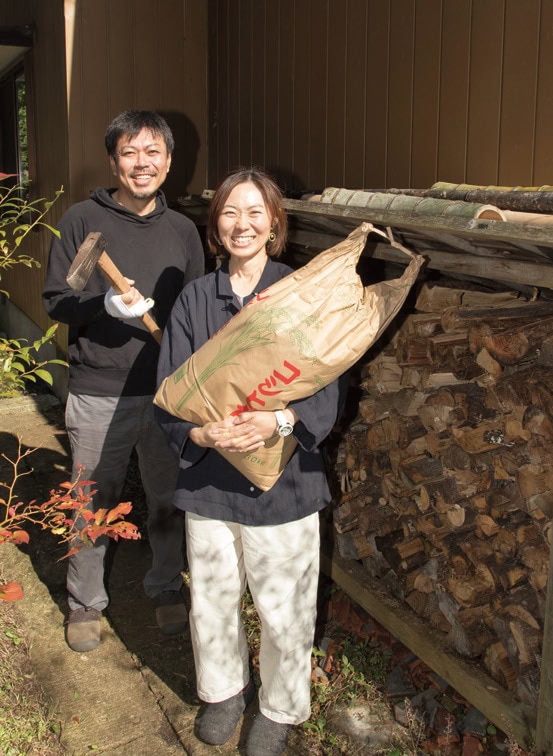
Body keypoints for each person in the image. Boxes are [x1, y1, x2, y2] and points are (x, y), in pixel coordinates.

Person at [155, 168, 347, 755]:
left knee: (285, 604)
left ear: (274, 224)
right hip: (210, 482)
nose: (242, 224)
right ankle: (224, 693)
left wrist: (278, 421)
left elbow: (329, 384)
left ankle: (279, 707)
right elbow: (169, 388)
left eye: (254, 213)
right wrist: (200, 433)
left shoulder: (298, 295)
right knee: (212, 597)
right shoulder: (194, 298)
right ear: (215, 227)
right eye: (230, 213)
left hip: (284, 482)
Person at [42, 110, 205, 653]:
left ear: (169, 162)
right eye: (130, 153)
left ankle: (164, 587)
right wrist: (106, 305)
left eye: (153, 152)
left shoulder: (183, 231)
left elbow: (198, 308)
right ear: (114, 160)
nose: (142, 163)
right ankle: (85, 602)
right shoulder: (81, 221)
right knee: (92, 499)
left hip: (164, 390)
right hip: (98, 391)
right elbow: (58, 301)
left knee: (167, 497)